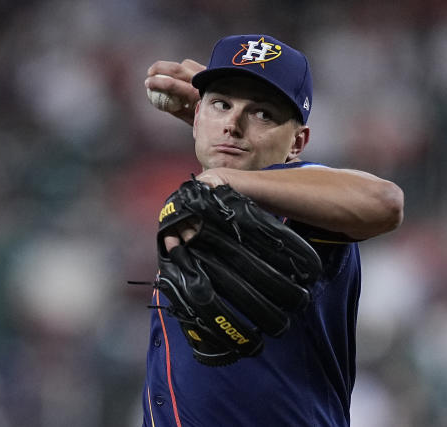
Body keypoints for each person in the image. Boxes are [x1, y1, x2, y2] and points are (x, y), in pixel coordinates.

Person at [142, 34, 404, 427]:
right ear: (196, 117)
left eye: (263, 114)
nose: (233, 124)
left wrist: (226, 179)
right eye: (221, 104)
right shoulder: (203, 203)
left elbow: (386, 201)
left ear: (298, 142)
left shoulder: (296, 197)